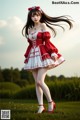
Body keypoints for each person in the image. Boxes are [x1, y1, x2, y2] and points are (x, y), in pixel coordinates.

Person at [22, 6, 73, 113]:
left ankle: (50, 102)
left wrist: (53, 52)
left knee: (40, 81)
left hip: (43, 55)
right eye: (33, 16)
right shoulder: (30, 29)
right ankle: (40, 106)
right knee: (37, 83)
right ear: (30, 17)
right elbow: (31, 45)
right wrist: (27, 55)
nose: (35, 17)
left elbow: (47, 41)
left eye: (37, 15)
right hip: (33, 56)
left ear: (40, 16)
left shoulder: (43, 25)